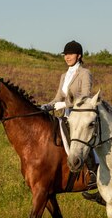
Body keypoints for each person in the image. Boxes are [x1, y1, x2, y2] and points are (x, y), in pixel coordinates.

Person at [40, 40, 99, 197]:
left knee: (81, 138)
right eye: (65, 54)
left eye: (70, 54)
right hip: (66, 117)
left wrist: (64, 104)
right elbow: (57, 98)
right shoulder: (64, 76)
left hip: (79, 116)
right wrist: (45, 106)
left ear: (79, 56)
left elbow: (85, 97)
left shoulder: (85, 73)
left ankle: (93, 172)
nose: (67, 57)